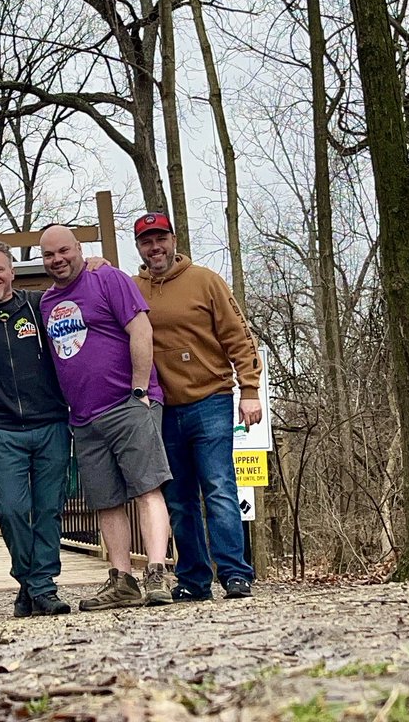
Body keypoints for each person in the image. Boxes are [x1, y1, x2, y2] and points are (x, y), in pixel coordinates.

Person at [39, 224, 173, 611]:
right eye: (49, 255)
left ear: (79, 249)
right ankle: (121, 579)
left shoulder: (108, 278)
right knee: (106, 499)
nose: (57, 259)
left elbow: (140, 329)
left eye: (64, 250)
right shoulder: (48, 302)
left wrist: (139, 390)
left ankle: (157, 571)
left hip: (127, 403)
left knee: (148, 487)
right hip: (83, 417)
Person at [132, 211, 262, 602]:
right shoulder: (132, 287)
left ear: (173, 240)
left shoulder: (205, 281)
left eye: (160, 239)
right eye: (146, 242)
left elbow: (238, 336)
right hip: (162, 409)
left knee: (220, 487)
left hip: (211, 398)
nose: (155, 248)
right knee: (179, 496)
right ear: (139, 247)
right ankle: (193, 577)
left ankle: (236, 574)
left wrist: (250, 388)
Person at [0, 239, 72, 618]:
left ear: (12, 271)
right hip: (4, 428)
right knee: (11, 510)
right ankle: (35, 583)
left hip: (52, 422)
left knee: (49, 509)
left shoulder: (38, 306)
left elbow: (80, 296)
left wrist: (99, 265)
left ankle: (40, 586)